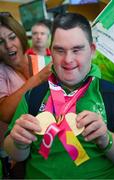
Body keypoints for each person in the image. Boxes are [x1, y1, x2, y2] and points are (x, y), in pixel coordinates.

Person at [4, 13, 114, 179]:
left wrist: (105, 138)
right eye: (60, 50)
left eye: (77, 49)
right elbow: (14, 153)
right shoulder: (33, 96)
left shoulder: (113, 96)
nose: (68, 59)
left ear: (92, 50)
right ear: (51, 51)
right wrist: (18, 142)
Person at [0, 12, 51, 178]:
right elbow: (5, 113)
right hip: (15, 151)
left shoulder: (41, 60)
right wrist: (39, 78)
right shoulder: (2, 71)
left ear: (21, 36)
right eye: (0, 41)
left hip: (45, 145)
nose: (8, 45)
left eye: (12, 37)